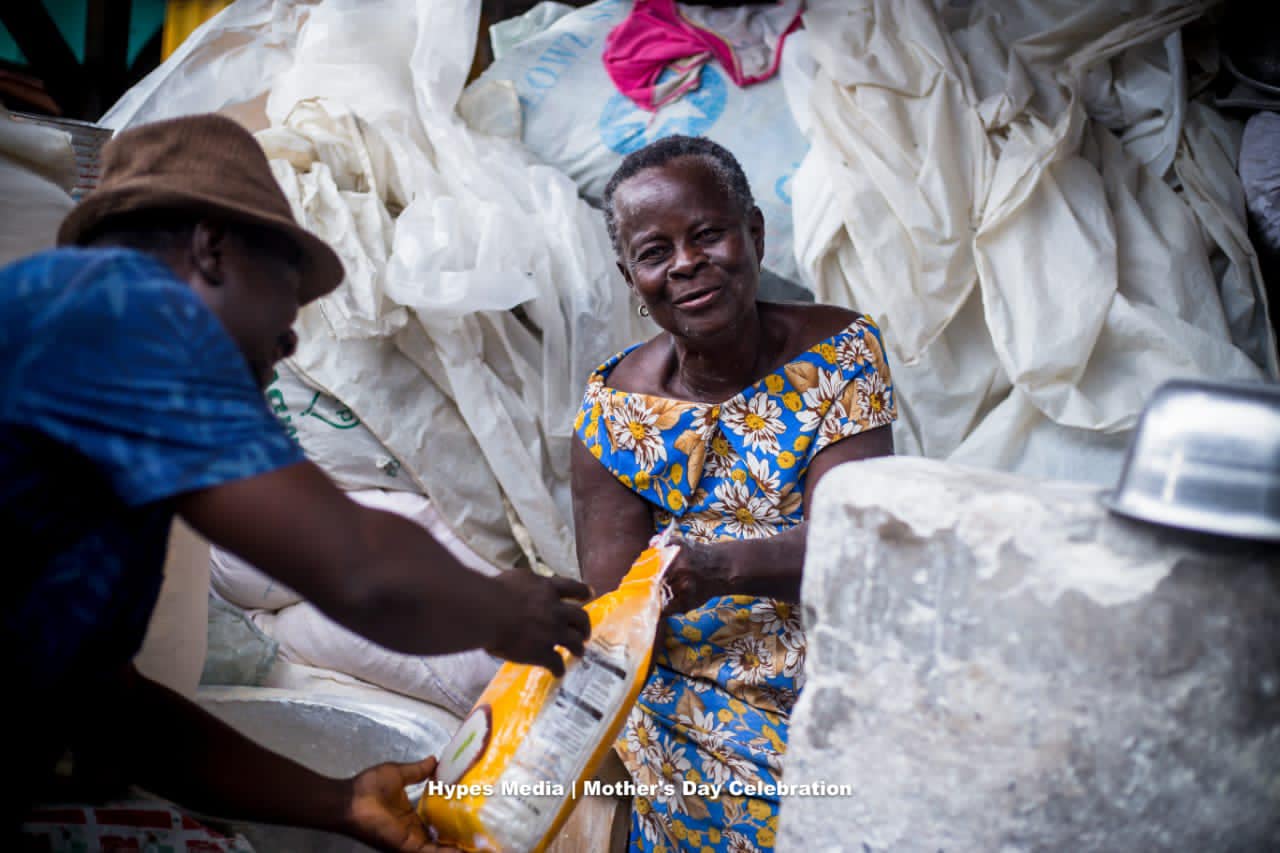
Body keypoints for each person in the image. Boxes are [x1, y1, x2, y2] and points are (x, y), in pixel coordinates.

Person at [1, 113, 592, 850]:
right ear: (211, 250)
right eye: (287, 285)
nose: (290, 337)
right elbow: (362, 572)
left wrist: (343, 802)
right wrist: (502, 608)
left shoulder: (109, 408)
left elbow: (110, 709)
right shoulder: (132, 311)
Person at [571, 135, 897, 853]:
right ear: (632, 276)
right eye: (656, 252)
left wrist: (714, 566)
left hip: (837, 650)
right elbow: (619, 616)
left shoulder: (839, 354)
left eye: (707, 234)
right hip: (693, 692)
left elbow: (851, 548)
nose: (686, 263)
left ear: (753, 233)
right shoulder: (611, 417)